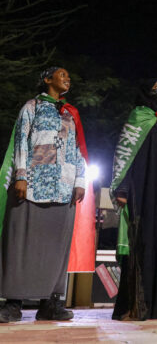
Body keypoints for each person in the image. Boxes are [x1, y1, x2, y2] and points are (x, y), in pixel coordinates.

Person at [0, 67, 94, 322]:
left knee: (55, 249)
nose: (68, 78)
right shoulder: (31, 107)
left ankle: (49, 304)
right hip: (32, 185)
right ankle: (13, 303)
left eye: (68, 75)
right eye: (62, 74)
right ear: (47, 79)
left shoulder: (70, 114)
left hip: (63, 188)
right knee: (22, 245)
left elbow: (77, 150)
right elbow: (21, 140)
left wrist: (80, 180)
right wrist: (20, 175)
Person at [110, 79, 157, 321]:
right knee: (141, 246)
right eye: (155, 85)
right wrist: (122, 189)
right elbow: (125, 153)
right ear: (144, 89)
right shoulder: (137, 118)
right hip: (142, 192)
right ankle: (133, 306)